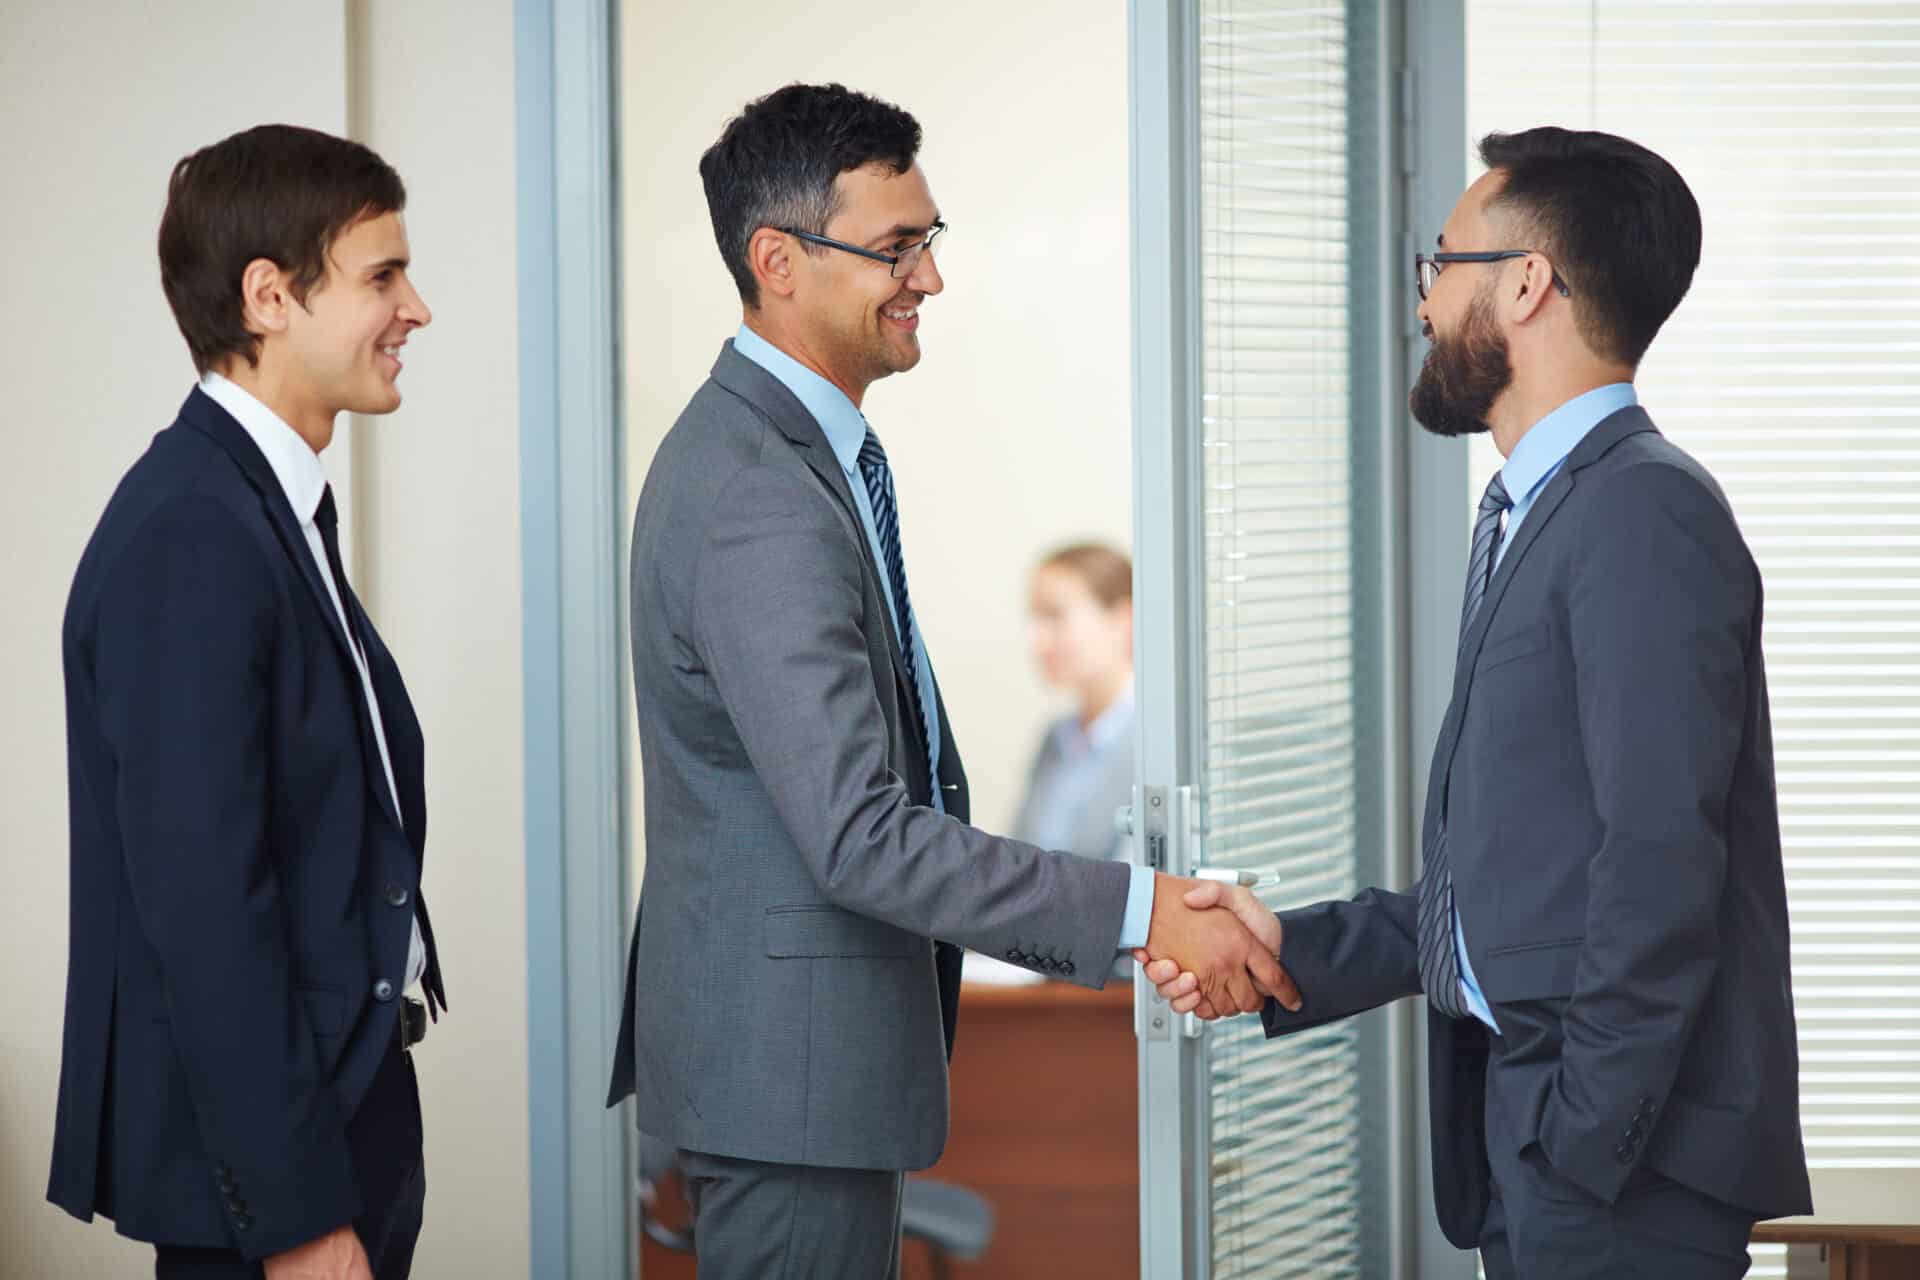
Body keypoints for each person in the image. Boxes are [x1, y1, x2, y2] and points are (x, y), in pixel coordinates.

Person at [605, 82, 1297, 1278]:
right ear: (778, 259)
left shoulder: (797, 458)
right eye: (897, 247)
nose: (928, 277)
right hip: (786, 1091)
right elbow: (862, 832)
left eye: (930, 242)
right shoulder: (760, 493)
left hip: (797, 1083)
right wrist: (1143, 911)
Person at [1145, 127, 1811, 1277]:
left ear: (1523, 282)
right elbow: (1523, 881)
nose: (1422, 303)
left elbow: (1660, 863)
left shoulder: (1638, 512)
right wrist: (1288, 946)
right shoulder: (1538, 514)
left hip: (1612, 1174)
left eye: (1438, 266)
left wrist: (1582, 1140)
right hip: (1544, 1149)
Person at [47, 124, 441, 1280]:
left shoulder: (261, 507)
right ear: (269, 296)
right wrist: (300, 1214)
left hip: (341, 1110)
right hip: (278, 1175)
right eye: (382, 275)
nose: (415, 308)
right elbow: (205, 906)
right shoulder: (193, 532)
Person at [1010, 542, 1136, 862]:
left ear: (1124, 619)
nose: (1036, 641)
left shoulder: (1157, 746)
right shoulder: (1055, 739)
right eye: (1035, 618)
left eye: (1055, 616)